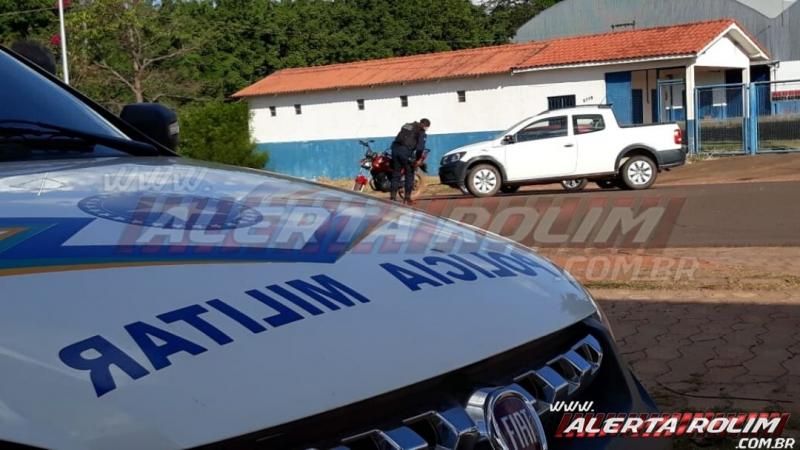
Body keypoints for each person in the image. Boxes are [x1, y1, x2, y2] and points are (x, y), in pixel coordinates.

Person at [390, 118, 429, 204]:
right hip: (405, 152)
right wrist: (418, 159)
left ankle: (392, 198)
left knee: (396, 174)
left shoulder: (407, 125)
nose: (426, 129)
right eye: (427, 128)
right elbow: (420, 148)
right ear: (425, 126)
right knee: (410, 174)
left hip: (395, 149)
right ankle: (407, 198)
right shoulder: (421, 131)